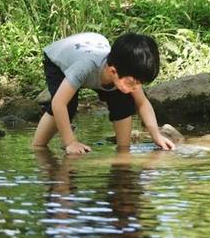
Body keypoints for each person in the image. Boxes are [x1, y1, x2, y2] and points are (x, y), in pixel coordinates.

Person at [32, 32, 176, 154]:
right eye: (133, 83)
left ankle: (123, 151)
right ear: (113, 71)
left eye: (140, 83)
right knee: (68, 104)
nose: (136, 88)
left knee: (124, 102)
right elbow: (59, 103)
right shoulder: (84, 67)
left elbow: (143, 103)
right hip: (59, 60)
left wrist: (156, 135)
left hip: (94, 47)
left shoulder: (126, 71)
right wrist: (70, 142)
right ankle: (38, 147)